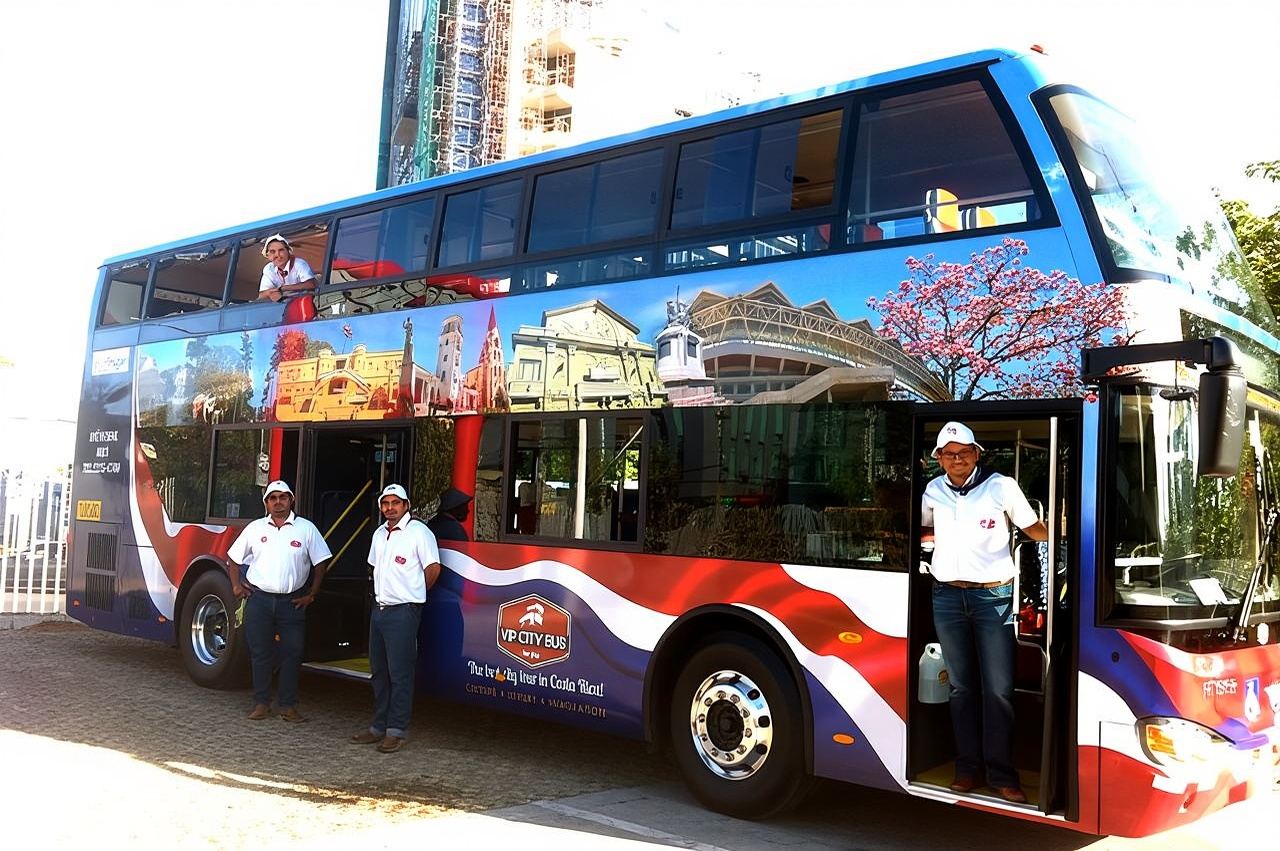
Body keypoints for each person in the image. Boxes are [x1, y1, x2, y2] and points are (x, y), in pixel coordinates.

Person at [920, 421, 1047, 804]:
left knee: (998, 690)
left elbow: (1034, 529)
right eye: (949, 453)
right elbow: (926, 530)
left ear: (976, 454)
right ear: (939, 459)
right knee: (961, 688)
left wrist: (1070, 540)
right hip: (946, 597)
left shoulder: (1001, 486)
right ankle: (966, 769)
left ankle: (1002, 775)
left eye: (964, 452)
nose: (956, 459)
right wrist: (929, 554)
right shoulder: (932, 490)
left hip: (993, 598)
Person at [227, 480, 332, 722]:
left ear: (291, 500)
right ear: (266, 503)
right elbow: (233, 558)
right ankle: (261, 703)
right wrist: (235, 585)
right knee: (260, 653)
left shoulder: (306, 529)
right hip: (259, 600)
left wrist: (312, 593)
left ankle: (288, 706)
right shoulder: (255, 528)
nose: (278, 502)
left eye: (282, 497)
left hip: (292, 602)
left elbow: (321, 562)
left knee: (292, 654)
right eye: (272, 498)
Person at [351, 484, 441, 753]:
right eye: (385, 503)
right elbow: (375, 567)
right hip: (380, 609)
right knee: (379, 671)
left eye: (395, 503)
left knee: (400, 673)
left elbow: (433, 569)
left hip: (403, 611)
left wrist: (415, 595)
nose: (390, 508)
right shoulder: (380, 534)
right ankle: (378, 726)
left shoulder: (419, 533)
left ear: (406, 505)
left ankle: (396, 730)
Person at [257, 233, 316, 302]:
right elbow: (261, 294)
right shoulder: (268, 268)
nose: (277, 255)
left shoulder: (299, 264)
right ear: (268, 255)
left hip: (303, 303)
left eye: (281, 250)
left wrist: (284, 288)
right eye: (272, 252)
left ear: (288, 252)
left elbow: (311, 284)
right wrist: (272, 293)